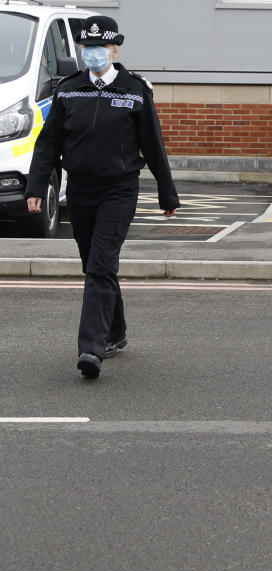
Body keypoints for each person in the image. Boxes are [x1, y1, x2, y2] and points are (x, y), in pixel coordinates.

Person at [25, 16, 179, 379]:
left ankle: (91, 349)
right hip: (79, 189)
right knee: (95, 264)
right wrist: (35, 187)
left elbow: (153, 145)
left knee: (99, 264)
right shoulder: (69, 89)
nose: (92, 54)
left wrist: (166, 193)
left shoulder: (134, 89)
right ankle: (116, 330)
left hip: (119, 189)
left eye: (100, 48)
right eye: (87, 48)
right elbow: (48, 143)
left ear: (114, 50)